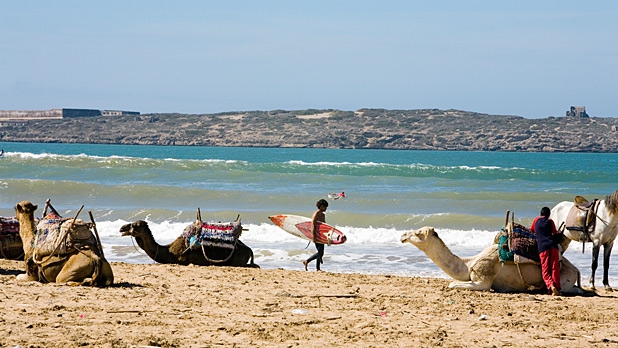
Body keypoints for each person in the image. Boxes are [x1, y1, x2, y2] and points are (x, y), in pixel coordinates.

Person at [530, 206, 562, 295]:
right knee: (555, 268)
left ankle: (551, 286)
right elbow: (555, 233)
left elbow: (532, 230)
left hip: (543, 248)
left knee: (545, 269)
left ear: (541, 214)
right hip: (553, 246)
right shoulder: (550, 221)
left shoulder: (536, 220)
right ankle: (557, 288)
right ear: (548, 215)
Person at [303, 199, 329, 271]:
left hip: (321, 235)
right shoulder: (316, 214)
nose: (326, 208)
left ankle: (316, 267)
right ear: (321, 206)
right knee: (320, 252)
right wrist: (313, 236)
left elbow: (324, 227)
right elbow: (313, 225)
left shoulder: (323, 215)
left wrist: (326, 237)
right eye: (325, 207)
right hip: (316, 235)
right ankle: (309, 263)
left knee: (321, 252)